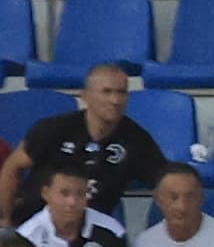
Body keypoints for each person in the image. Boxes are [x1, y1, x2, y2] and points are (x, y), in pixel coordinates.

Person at [1, 66, 167, 228]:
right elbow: (12, 166)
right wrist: (5, 220)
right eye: (106, 92)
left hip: (93, 232)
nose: (115, 100)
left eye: (121, 92)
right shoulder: (54, 129)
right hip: (36, 221)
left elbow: (166, 181)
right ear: (86, 95)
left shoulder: (137, 140)